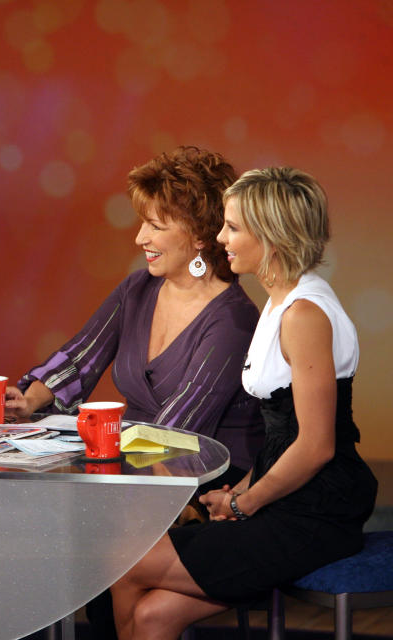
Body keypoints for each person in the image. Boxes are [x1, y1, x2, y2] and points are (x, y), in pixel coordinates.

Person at [109, 167, 377, 640]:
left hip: (315, 511)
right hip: (284, 498)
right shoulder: (279, 302)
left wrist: (245, 502)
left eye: (232, 227)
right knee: (152, 616)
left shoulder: (304, 314)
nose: (219, 237)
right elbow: (281, 436)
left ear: (272, 236)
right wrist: (236, 496)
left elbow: (315, 446)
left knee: (125, 561)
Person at [6, 146, 264, 480]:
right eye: (143, 223)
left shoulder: (233, 320)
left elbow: (178, 431)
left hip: (200, 476)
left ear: (200, 235)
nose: (141, 237)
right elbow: (80, 357)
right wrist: (28, 401)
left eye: (155, 226)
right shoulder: (138, 288)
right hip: (133, 462)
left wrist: (99, 462)